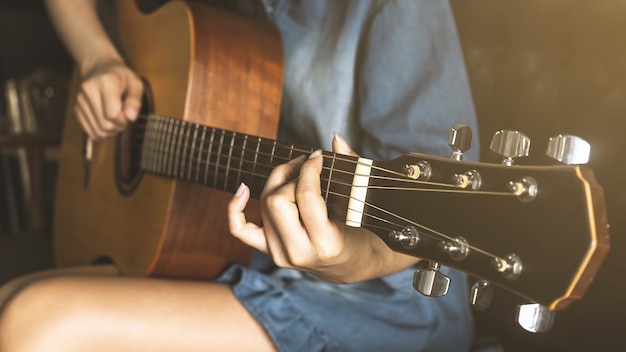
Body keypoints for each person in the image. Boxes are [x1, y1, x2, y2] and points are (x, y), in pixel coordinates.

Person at [0, 0, 489, 351]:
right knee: (9, 303)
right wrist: (97, 57)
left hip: (382, 298)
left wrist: (344, 258)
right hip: (235, 250)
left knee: (30, 323)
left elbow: (439, 217)